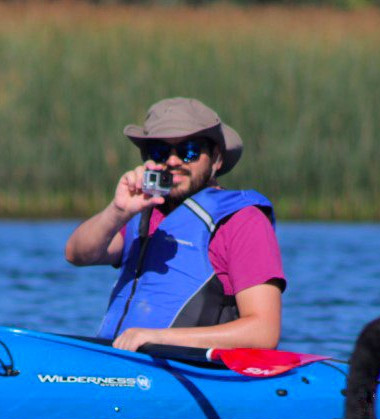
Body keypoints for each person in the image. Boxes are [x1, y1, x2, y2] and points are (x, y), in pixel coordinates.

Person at [65, 97, 285, 352]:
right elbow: (77, 254)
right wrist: (117, 211)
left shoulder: (243, 221)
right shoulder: (140, 211)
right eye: (159, 152)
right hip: (122, 363)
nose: (172, 161)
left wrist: (158, 338)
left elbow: (263, 332)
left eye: (189, 151)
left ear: (216, 158)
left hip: (192, 369)